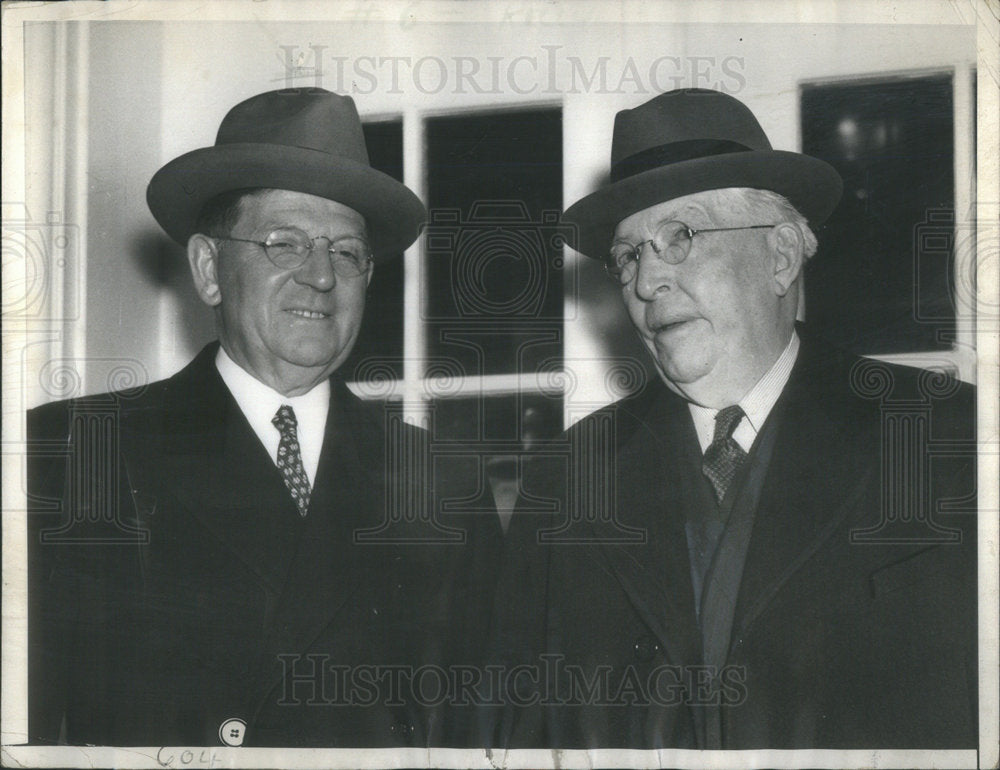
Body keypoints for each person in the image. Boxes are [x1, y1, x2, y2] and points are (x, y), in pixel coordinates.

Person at [490, 88, 977, 749]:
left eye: (679, 237)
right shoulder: (565, 480)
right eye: (629, 255)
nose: (646, 282)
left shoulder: (944, 440)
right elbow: (519, 733)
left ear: (779, 256)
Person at [27, 87, 468, 747]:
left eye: (347, 253)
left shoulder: (442, 482)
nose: (322, 276)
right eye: (284, 244)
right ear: (208, 268)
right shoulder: (72, 451)